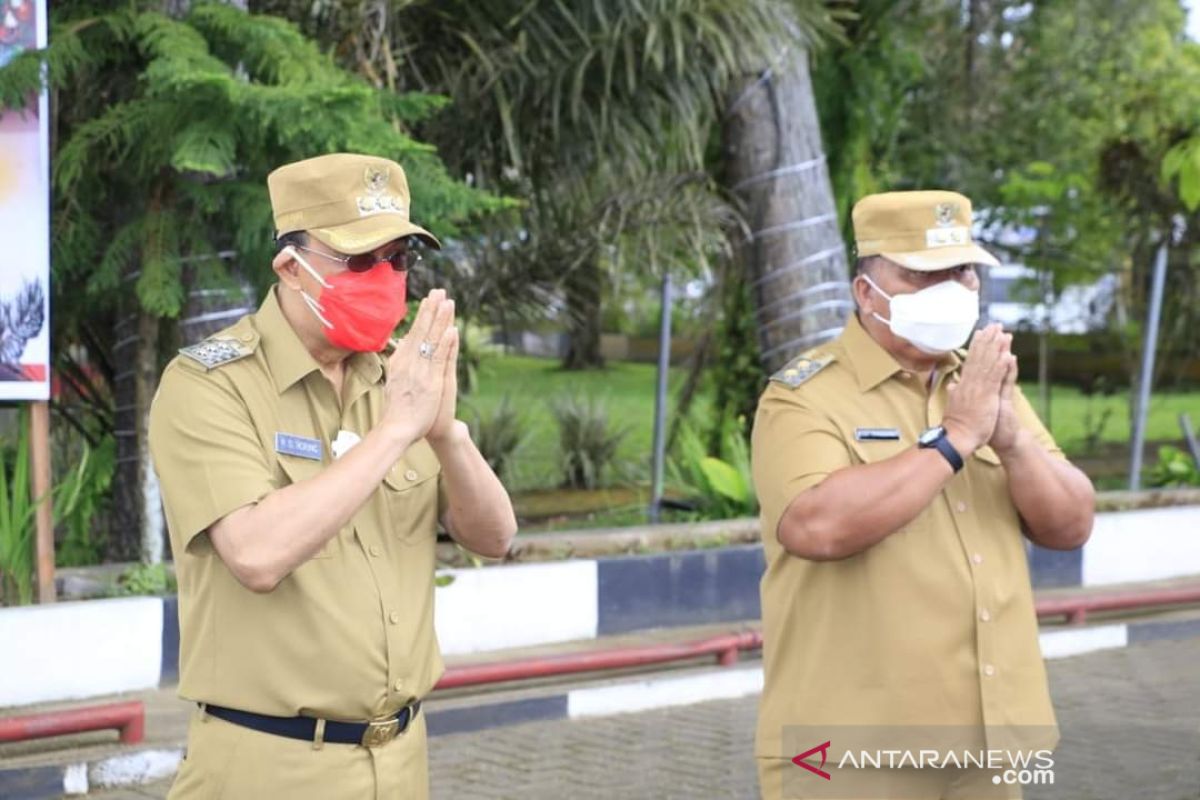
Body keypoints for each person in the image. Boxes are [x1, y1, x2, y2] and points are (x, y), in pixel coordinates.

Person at [149, 153, 518, 799]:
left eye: (399, 259)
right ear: (291, 267)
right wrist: (395, 432)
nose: (385, 278)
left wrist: (445, 434)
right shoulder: (210, 385)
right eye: (359, 260)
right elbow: (257, 555)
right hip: (268, 765)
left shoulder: (393, 380)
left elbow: (493, 537)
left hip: (401, 761)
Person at [751, 191, 1095, 800]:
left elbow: (1071, 525)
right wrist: (957, 438)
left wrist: (1012, 443)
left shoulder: (986, 384)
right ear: (866, 292)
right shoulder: (802, 397)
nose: (952, 288)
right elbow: (815, 527)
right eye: (923, 274)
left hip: (988, 740)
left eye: (962, 272)